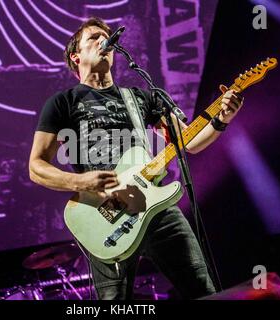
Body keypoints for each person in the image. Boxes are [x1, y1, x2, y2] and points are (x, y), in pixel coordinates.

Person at [29, 17, 244, 300]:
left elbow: (188, 143)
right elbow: (36, 166)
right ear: (75, 56)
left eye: (105, 38)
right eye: (93, 37)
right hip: (104, 214)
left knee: (202, 290)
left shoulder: (142, 98)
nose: (102, 41)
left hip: (155, 207)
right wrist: (81, 180)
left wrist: (221, 120)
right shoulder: (63, 103)